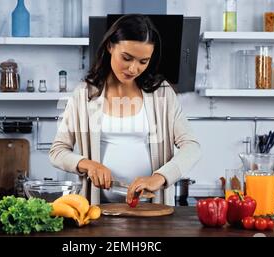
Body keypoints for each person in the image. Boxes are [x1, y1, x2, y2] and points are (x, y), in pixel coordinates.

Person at [49, 14, 201, 206]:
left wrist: (160, 177)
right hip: (99, 208)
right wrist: (88, 165)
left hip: (152, 209)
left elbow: (192, 146)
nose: (133, 68)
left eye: (143, 61)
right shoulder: (84, 94)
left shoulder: (161, 92)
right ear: (110, 46)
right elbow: (57, 151)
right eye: (127, 58)